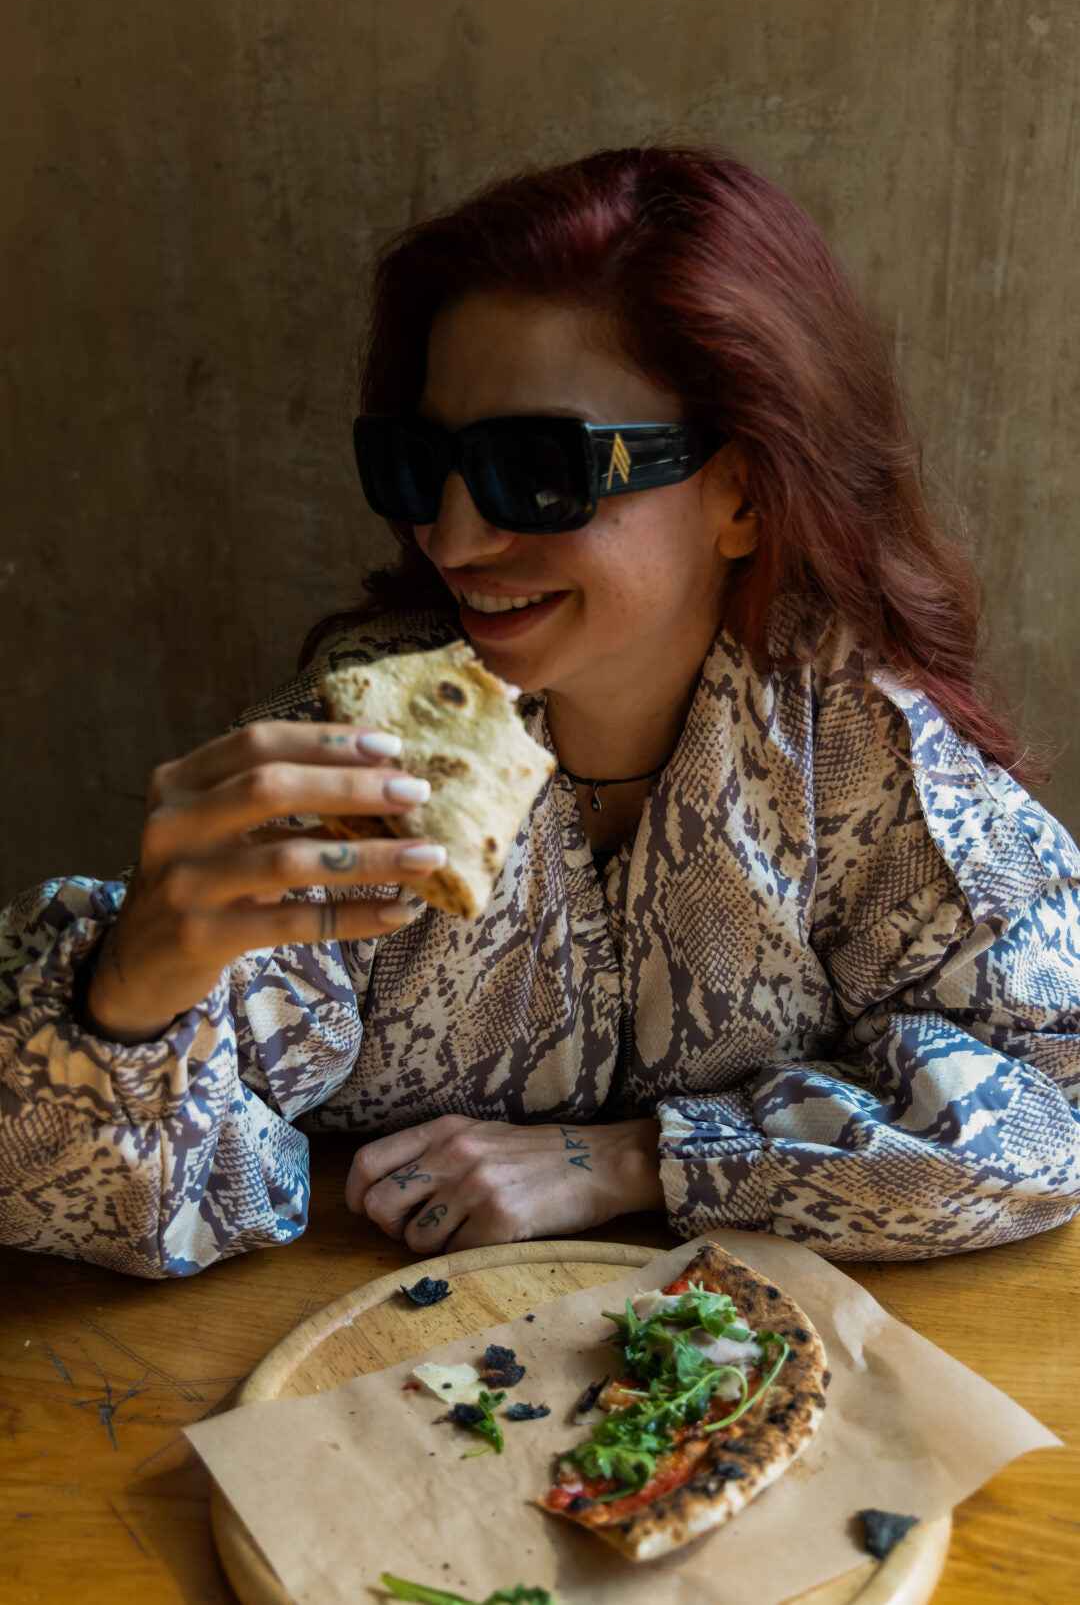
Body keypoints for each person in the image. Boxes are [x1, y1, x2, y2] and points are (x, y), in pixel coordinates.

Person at [2, 145, 1078, 1280]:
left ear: (746, 492)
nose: (453, 539)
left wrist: (627, 1161)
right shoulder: (349, 766)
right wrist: (123, 1000)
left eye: (538, 469)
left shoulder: (864, 756)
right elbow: (108, 1202)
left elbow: (1053, 1112)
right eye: (420, 463)